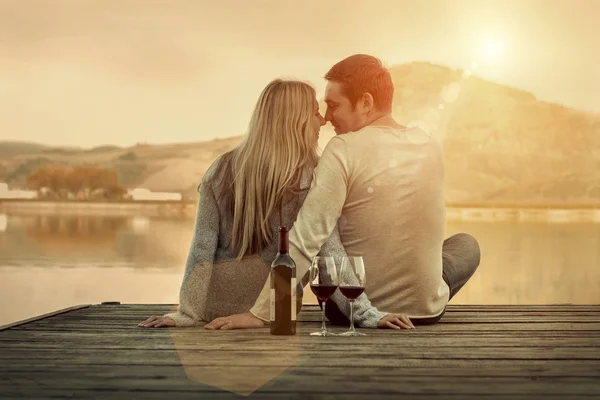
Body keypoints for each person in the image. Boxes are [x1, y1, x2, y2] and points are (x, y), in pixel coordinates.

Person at [206, 54, 481, 330]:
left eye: (334, 105)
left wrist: (263, 312)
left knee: (330, 236)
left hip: (347, 307)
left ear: (365, 102)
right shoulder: (430, 145)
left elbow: (307, 237)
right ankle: (422, 293)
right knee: (466, 245)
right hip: (426, 311)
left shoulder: (342, 148)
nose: (326, 118)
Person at [139, 78, 415, 330]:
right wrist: (367, 313)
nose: (322, 122)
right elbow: (330, 251)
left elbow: (202, 250)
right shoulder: (313, 176)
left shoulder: (220, 170)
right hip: (276, 310)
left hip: (217, 310)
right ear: (294, 121)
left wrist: (186, 314)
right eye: (315, 113)